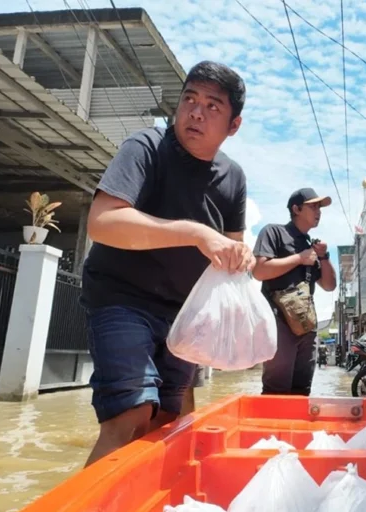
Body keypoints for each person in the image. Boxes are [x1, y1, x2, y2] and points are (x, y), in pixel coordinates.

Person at [80, 61, 253, 466]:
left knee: (168, 420)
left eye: (213, 106)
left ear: (233, 125)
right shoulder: (145, 147)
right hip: (121, 298)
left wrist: (240, 256)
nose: (196, 112)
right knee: (131, 413)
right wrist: (195, 233)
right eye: (190, 99)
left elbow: (233, 251)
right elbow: (102, 222)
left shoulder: (234, 179)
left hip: (184, 315)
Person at [252, 188, 337, 395]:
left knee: (302, 390)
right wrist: (299, 258)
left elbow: (329, 285)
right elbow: (259, 271)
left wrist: (324, 256)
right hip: (278, 322)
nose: (319, 211)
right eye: (313, 206)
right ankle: (273, 428)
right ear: (296, 209)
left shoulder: (311, 245)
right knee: (276, 390)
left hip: (306, 324)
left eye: (320, 207)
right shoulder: (274, 232)